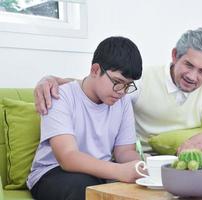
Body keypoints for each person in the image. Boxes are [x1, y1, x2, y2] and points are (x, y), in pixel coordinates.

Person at [34, 27, 202, 154]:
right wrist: (54, 80)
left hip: (184, 158)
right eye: (188, 65)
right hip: (142, 158)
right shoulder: (142, 80)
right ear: (174, 56)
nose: (193, 77)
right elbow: (102, 85)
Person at [27, 36, 144, 200]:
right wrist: (120, 171)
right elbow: (67, 157)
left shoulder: (123, 102)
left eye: (128, 85)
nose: (122, 91)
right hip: (52, 173)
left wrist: (143, 167)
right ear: (95, 70)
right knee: (84, 188)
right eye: (118, 82)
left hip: (99, 174)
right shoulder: (60, 95)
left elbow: (124, 152)